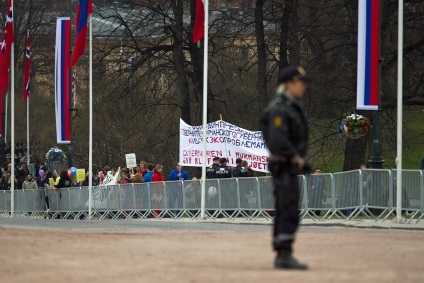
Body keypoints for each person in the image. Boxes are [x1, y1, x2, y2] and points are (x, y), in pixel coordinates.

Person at [260, 65, 312, 270]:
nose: (304, 87)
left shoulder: (289, 106)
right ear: (290, 83)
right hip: (284, 164)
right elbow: (278, 140)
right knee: (287, 207)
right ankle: (283, 253)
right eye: (301, 83)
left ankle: (285, 251)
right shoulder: (280, 109)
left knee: (289, 207)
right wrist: (294, 157)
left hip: (288, 164)